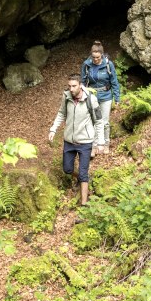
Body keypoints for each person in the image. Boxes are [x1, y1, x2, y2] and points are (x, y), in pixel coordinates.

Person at [48, 73, 104, 206]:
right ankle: (81, 178)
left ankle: (84, 203)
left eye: (74, 86)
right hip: (69, 141)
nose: (71, 89)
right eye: (69, 86)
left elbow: (99, 121)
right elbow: (61, 113)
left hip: (85, 142)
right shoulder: (66, 97)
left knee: (84, 173)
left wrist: (100, 142)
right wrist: (53, 129)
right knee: (67, 169)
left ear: (80, 85)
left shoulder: (91, 99)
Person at [81, 40, 120, 156]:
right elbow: (82, 82)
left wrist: (117, 97)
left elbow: (114, 81)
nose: (95, 60)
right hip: (92, 96)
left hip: (106, 96)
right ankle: (93, 145)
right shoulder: (87, 64)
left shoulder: (108, 64)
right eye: (93, 57)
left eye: (98, 57)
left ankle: (106, 143)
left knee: (105, 121)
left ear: (102, 55)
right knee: (93, 121)